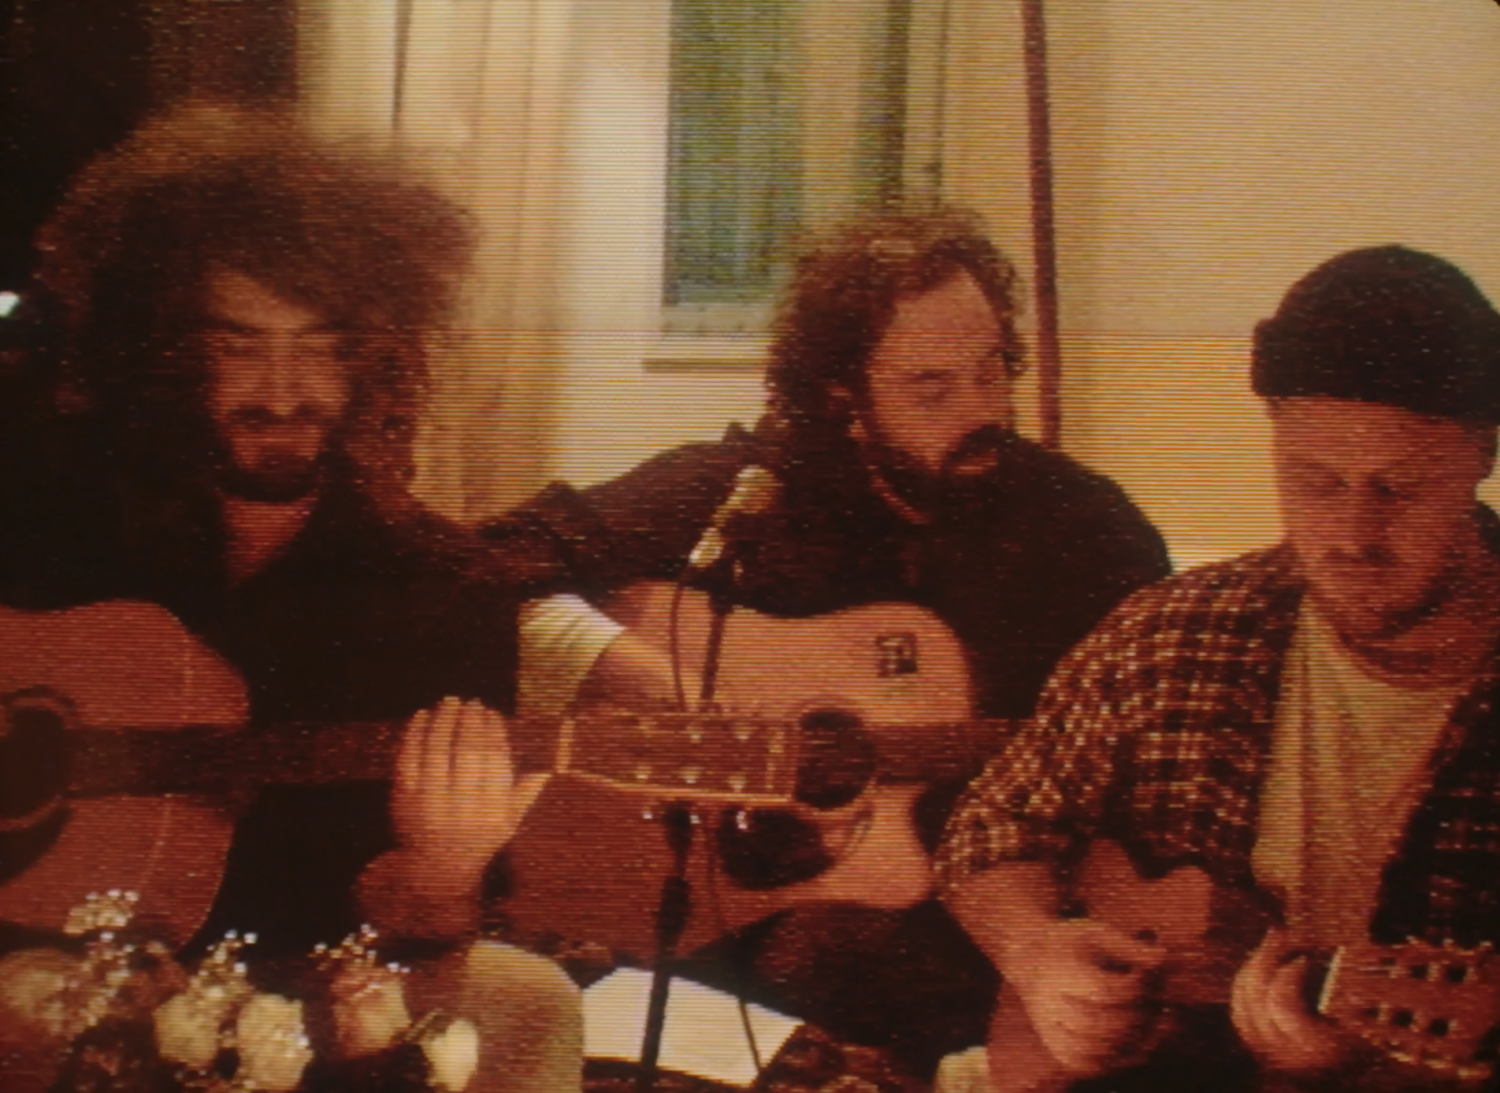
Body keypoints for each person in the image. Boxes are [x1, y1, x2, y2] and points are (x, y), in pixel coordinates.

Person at [484, 205, 1172, 1075]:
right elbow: (485, 569)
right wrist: (643, 679)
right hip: (720, 920)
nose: (981, 409)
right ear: (844, 397)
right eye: (932, 389)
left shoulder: (1085, 531)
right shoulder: (746, 494)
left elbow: (1166, 732)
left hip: (978, 933)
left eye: (992, 370)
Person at [0, 104, 590, 1092]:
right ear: (168, 351)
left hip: (286, 985)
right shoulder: (57, 527)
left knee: (529, 999)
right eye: (240, 346)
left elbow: (414, 930)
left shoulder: (445, 592)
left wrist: (444, 867)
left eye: (322, 348)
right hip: (35, 947)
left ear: (374, 357)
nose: (284, 390)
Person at [937, 245, 1500, 1092]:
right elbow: (992, 826)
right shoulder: (1176, 633)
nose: (1353, 535)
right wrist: (1036, 950)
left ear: (1482, 453)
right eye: (1314, 482)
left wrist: (1364, 1073)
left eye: (1398, 489)